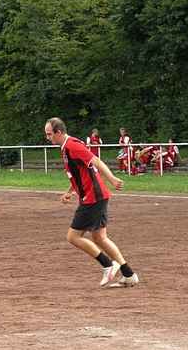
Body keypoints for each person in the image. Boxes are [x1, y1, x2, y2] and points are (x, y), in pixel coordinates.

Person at [45, 117, 139, 287]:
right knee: (100, 238)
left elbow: (96, 161)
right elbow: (79, 173)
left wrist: (112, 178)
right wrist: (69, 192)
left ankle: (108, 265)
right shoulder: (65, 147)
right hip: (96, 196)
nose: (47, 137)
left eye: (49, 134)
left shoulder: (72, 146)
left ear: (58, 132)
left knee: (73, 237)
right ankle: (129, 274)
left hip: (93, 197)